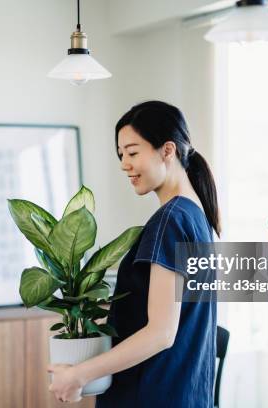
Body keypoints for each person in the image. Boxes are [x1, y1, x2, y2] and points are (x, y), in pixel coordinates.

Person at [48, 100, 220, 407]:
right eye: (120, 155)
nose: (124, 163)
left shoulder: (171, 221)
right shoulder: (196, 217)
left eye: (132, 152)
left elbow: (160, 333)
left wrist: (79, 374)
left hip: (151, 395)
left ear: (168, 150)